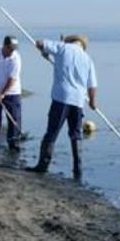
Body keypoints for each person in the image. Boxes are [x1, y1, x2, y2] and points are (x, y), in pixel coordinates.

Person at [29, 35, 97, 177]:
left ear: (70, 41)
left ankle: (43, 165)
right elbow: (92, 86)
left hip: (62, 97)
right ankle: (77, 169)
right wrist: (92, 101)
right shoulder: (87, 58)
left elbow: (40, 43)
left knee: (52, 132)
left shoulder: (62, 47)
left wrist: (46, 51)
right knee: (76, 134)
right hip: (78, 101)